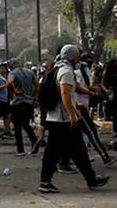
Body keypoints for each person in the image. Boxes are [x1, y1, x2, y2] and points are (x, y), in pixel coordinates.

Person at [39, 45, 108, 193]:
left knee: (78, 150)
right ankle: (45, 182)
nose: (80, 59)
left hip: (58, 117)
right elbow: (65, 93)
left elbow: (72, 89)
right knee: (54, 152)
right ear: (72, 57)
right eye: (78, 56)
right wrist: (72, 114)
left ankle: (92, 179)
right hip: (62, 119)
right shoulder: (65, 71)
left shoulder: (58, 68)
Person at [5, 59, 37, 155]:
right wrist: (33, 96)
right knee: (26, 124)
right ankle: (34, 142)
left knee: (17, 126)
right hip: (29, 102)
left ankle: (20, 150)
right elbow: (37, 85)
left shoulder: (12, 73)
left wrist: (15, 91)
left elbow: (9, 82)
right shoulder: (30, 72)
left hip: (17, 102)